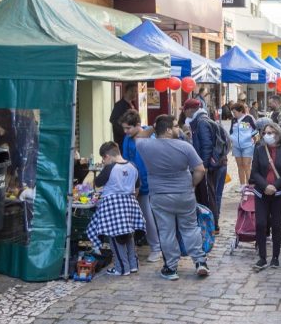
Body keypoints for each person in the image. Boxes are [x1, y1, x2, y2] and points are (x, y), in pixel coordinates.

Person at [135, 115, 209, 280]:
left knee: (166, 232)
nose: (178, 129)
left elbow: (139, 135)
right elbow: (200, 170)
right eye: (175, 126)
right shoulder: (185, 147)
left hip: (160, 196)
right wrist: (192, 185)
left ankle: (171, 267)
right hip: (184, 194)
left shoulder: (145, 146)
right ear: (168, 130)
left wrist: (154, 127)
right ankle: (200, 262)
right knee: (190, 228)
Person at [85, 142, 144, 276]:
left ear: (107, 156)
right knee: (128, 234)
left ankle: (121, 268)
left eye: (103, 159)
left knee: (115, 236)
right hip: (130, 203)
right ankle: (133, 265)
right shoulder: (133, 166)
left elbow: (98, 183)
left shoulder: (110, 168)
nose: (103, 161)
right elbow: (137, 187)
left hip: (112, 205)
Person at [250, 122, 281, 270]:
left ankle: (275, 256)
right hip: (261, 193)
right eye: (265, 133)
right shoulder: (259, 149)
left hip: (278, 193)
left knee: (276, 225)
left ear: (278, 134)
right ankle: (262, 257)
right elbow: (254, 171)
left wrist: (275, 186)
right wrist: (265, 186)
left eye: (271, 132)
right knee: (261, 224)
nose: (267, 135)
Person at [120, 110, 162, 263]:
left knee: (148, 217)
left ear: (137, 125)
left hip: (147, 184)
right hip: (133, 184)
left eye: (128, 128)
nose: (126, 131)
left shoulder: (148, 137)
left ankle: (156, 248)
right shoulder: (127, 138)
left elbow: (147, 164)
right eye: (124, 129)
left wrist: (141, 185)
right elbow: (127, 160)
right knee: (135, 216)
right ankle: (134, 246)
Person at [184, 99, 230, 231]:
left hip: (210, 166)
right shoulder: (204, 119)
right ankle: (213, 224)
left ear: (189, 110)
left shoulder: (201, 122)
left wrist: (203, 166)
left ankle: (213, 225)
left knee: (209, 197)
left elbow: (206, 146)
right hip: (217, 164)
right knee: (213, 195)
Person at [229, 102, 258, 185]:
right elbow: (231, 131)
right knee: (240, 166)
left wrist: (250, 136)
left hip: (247, 146)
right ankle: (242, 186)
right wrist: (232, 138)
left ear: (241, 111)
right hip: (236, 146)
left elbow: (256, 130)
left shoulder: (249, 118)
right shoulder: (233, 119)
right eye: (232, 112)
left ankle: (249, 186)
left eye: (234, 112)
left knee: (246, 165)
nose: (233, 114)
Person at [110, 83, 137, 149]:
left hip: (132, 139)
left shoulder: (133, 104)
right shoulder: (119, 105)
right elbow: (113, 120)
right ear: (129, 91)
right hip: (122, 141)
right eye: (135, 91)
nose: (136, 93)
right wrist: (125, 131)